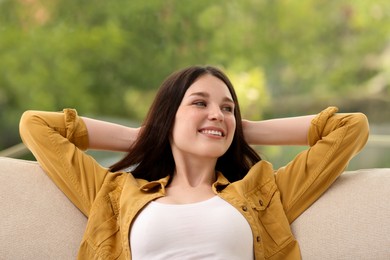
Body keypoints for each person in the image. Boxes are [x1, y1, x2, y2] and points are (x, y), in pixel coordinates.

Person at [19, 65, 369, 259]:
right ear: (168, 116)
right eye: (200, 103)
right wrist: (140, 137)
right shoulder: (113, 195)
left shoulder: (263, 193)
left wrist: (243, 129)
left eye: (227, 107)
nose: (217, 113)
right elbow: (36, 126)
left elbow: (350, 127)